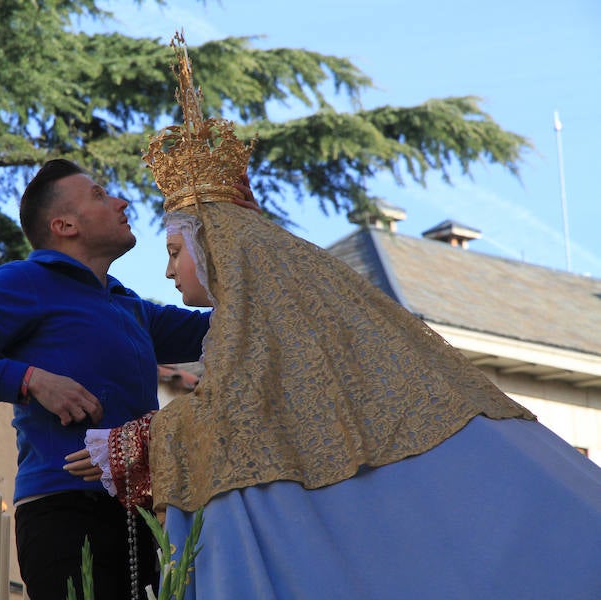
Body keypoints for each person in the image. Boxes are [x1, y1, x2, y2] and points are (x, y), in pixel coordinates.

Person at [65, 37, 601, 599]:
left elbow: (236, 428)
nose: (170, 271)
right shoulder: (255, 328)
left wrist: (135, 444)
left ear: (217, 249)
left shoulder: (261, 332)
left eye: (175, 251)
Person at [0, 158, 256, 600]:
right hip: (65, 513)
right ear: (64, 225)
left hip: (140, 515)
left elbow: (229, 325)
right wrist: (32, 379)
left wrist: (244, 232)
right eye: (99, 194)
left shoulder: (126, 304)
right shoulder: (25, 279)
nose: (121, 201)